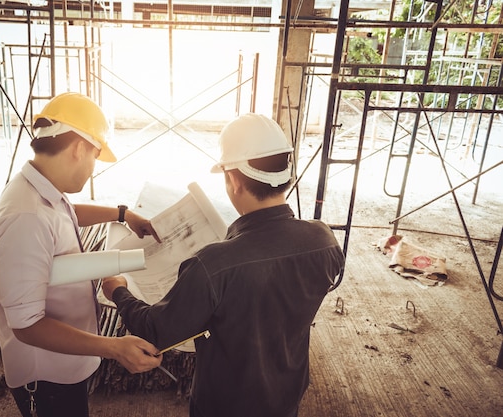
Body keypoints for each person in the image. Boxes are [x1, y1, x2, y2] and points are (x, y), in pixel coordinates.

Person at [102, 113, 345, 417]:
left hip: (225, 404)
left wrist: (118, 290)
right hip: (287, 395)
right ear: (287, 175)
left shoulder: (214, 264)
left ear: (232, 179)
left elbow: (157, 331)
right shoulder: (324, 240)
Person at [0, 92, 162, 417]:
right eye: (95, 156)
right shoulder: (25, 217)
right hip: (47, 377)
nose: (93, 167)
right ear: (80, 148)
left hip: (64, 364)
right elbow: (26, 325)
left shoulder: (42, 189)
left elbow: (66, 214)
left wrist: (122, 214)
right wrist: (113, 347)